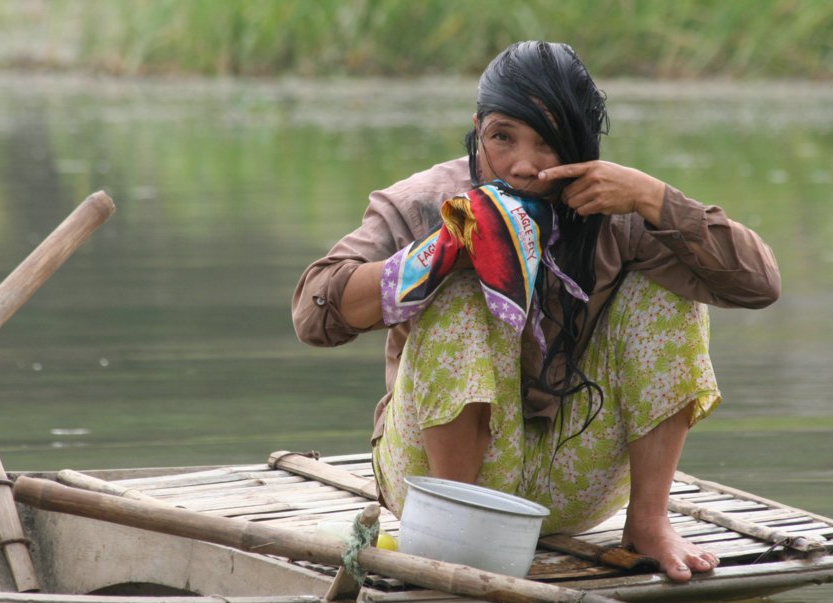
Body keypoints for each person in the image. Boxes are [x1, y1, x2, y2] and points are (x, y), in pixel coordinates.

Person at [291, 41, 780, 583]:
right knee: (460, 286)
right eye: (503, 138)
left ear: (582, 143)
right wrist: (441, 250)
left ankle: (647, 521)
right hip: (430, 484)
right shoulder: (427, 201)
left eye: (547, 143)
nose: (523, 166)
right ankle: (459, 527)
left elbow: (757, 286)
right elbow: (313, 317)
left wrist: (655, 199)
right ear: (479, 131)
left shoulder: (617, 210)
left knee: (667, 288)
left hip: (572, 480)